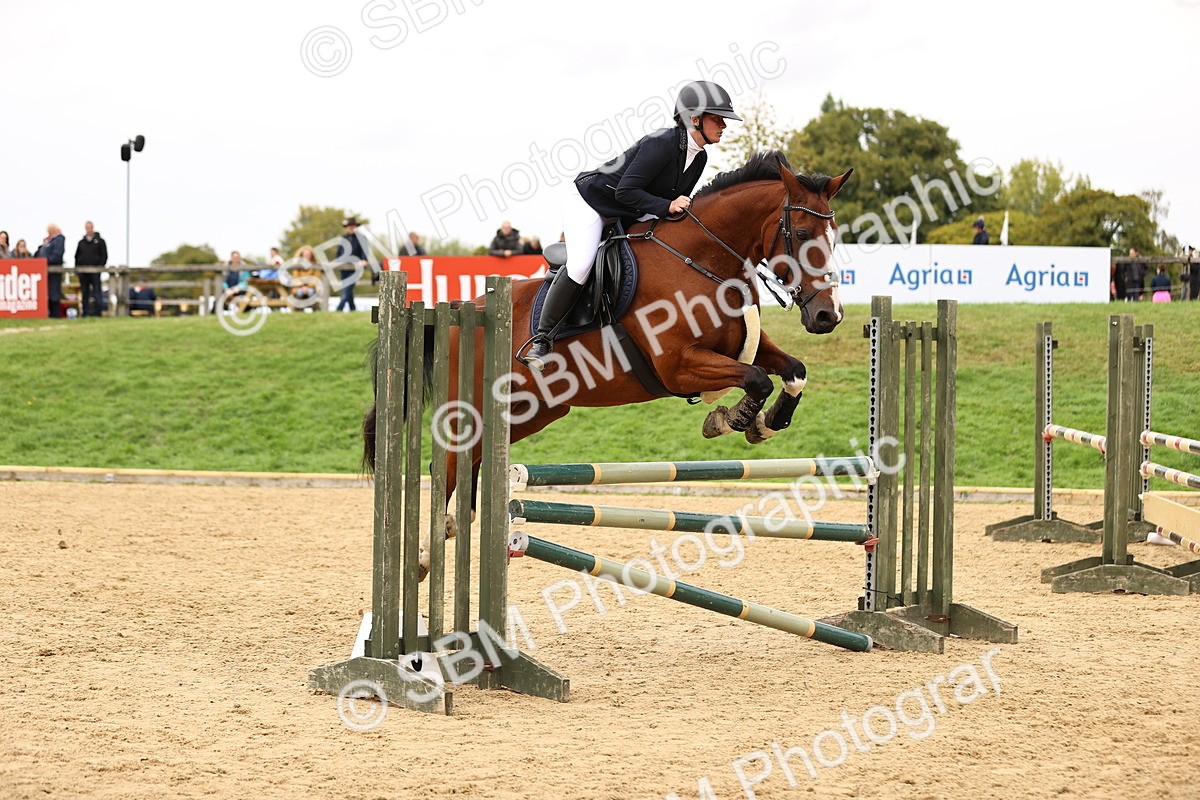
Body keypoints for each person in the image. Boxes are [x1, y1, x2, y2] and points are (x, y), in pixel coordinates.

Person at [523, 80, 741, 370]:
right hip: (592, 203)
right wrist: (666, 206)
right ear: (695, 119)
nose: (724, 125)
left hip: (630, 209)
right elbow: (626, 191)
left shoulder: (699, 157)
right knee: (580, 265)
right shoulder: (661, 142)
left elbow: (669, 201)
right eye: (718, 118)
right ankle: (542, 341)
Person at [336, 216, 370, 311]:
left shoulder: (361, 238)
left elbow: (365, 251)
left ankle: (339, 309)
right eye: (349, 226)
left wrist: (364, 260)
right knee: (348, 290)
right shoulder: (343, 238)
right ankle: (353, 309)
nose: (351, 228)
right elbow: (339, 252)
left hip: (356, 268)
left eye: (352, 226)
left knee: (347, 288)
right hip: (343, 268)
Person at [74, 221, 108, 317]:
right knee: (85, 292)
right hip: (83, 272)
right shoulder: (81, 242)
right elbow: (77, 256)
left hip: (95, 272)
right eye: (87, 227)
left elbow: (104, 255)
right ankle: (85, 313)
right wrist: (78, 269)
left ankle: (98, 313)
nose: (89, 229)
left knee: (97, 292)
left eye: (90, 227)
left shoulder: (100, 241)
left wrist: (99, 267)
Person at [35, 224, 66, 318]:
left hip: (53, 270)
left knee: (54, 293)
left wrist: (46, 261)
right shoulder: (48, 241)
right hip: (46, 271)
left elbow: (57, 255)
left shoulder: (59, 239)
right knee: (48, 293)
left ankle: (55, 316)